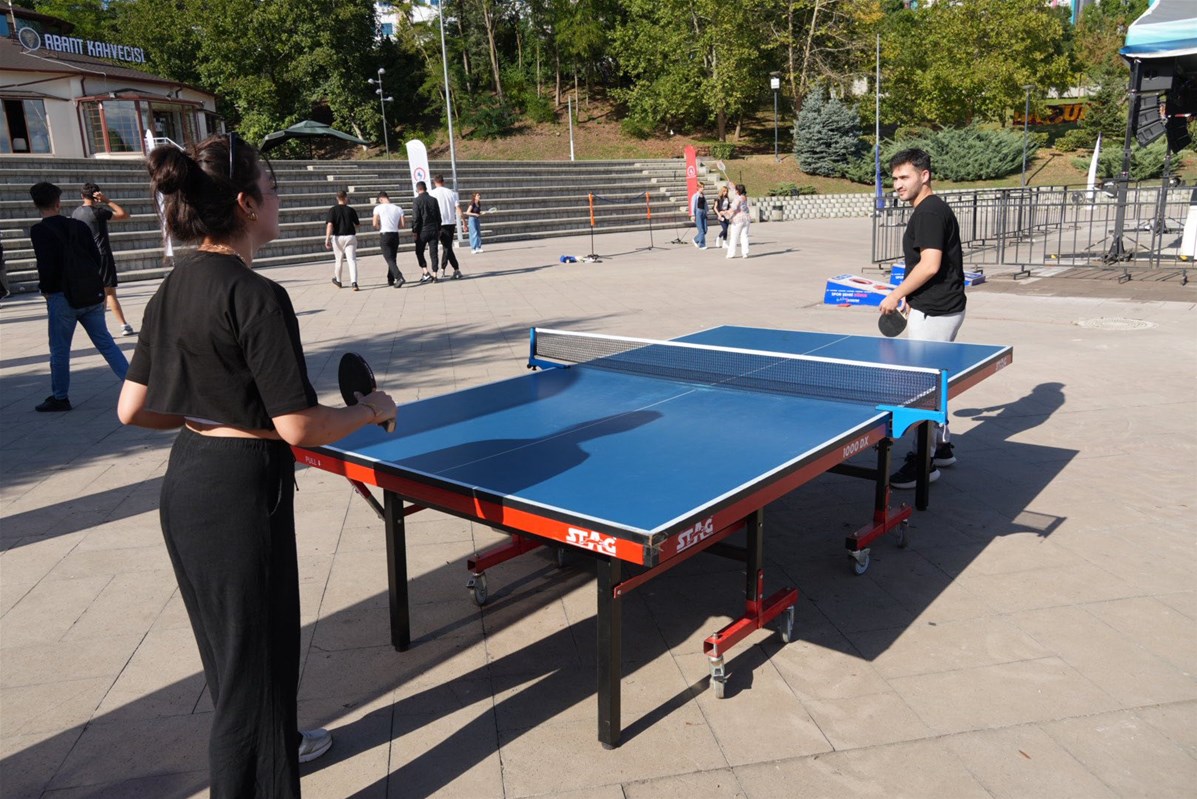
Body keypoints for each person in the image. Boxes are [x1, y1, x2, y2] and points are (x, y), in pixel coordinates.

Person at [118, 133, 396, 797]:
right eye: (272, 190)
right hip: (240, 494)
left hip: (188, 481)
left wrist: (210, 413)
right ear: (245, 204)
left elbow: (133, 409)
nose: (279, 201)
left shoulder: (169, 288)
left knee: (233, 662)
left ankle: (279, 755)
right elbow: (298, 425)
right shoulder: (258, 295)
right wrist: (371, 410)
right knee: (254, 675)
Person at [879, 148, 967, 490]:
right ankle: (941, 447)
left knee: (924, 389)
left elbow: (930, 265)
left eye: (905, 177)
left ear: (924, 175)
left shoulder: (929, 212)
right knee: (935, 382)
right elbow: (927, 268)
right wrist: (911, 297)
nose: (898, 184)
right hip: (936, 306)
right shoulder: (931, 209)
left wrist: (896, 294)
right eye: (894, 178)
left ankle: (923, 463)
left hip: (936, 312)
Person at [29, 181, 129, 413]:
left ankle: (60, 397)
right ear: (58, 202)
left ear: (36, 205)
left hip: (62, 296)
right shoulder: (78, 226)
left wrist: (47, 292)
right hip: (90, 293)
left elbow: (46, 266)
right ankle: (134, 385)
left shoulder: (39, 231)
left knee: (60, 349)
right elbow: (95, 257)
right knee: (106, 343)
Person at [72, 181, 134, 335]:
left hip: (86, 256)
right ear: (97, 196)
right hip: (102, 255)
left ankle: (116, 325)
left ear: (82, 196)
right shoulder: (99, 212)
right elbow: (124, 214)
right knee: (107, 292)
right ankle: (111, 327)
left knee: (104, 292)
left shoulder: (76, 213)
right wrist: (107, 200)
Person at [324, 191, 360, 290]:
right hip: (350, 237)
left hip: (338, 237)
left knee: (338, 260)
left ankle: (338, 280)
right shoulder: (351, 210)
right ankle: (354, 283)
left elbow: (330, 225)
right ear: (346, 198)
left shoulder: (332, 210)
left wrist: (327, 239)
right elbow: (357, 224)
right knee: (351, 260)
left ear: (337, 198)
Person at [430, 175, 463, 279]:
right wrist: (464, 221)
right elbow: (458, 208)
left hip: (439, 223)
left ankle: (453, 269)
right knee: (447, 247)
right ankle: (447, 269)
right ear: (443, 182)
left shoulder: (432, 193)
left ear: (434, 183)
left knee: (446, 247)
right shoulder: (451, 193)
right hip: (450, 223)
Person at [372, 191, 405, 288]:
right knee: (393, 258)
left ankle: (399, 277)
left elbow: (374, 223)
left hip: (385, 234)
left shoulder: (378, 208)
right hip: (395, 234)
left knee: (389, 258)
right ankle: (390, 279)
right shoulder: (398, 208)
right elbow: (402, 225)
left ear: (380, 199)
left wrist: (378, 226)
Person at [411, 181, 441, 283]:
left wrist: (414, 231)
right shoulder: (434, 200)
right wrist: (439, 229)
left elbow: (416, 218)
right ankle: (435, 275)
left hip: (422, 231)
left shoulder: (416, 201)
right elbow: (438, 216)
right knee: (434, 253)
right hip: (433, 230)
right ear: (426, 188)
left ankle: (425, 271)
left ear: (417, 189)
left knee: (419, 251)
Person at [725, 184, 751, 259]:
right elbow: (736, 192)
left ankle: (731, 253)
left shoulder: (738, 198)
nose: (735, 191)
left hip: (738, 219)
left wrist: (726, 212)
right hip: (746, 218)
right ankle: (745, 253)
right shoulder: (744, 197)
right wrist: (732, 187)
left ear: (738, 191)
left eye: (736, 190)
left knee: (734, 237)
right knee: (744, 236)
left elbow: (734, 208)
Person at [689, 184, 708, 250]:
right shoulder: (695, 196)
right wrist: (693, 215)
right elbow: (692, 205)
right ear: (698, 188)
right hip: (698, 213)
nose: (703, 188)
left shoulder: (703, 196)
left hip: (703, 213)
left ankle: (695, 239)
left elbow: (705, 205)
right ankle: (701, 245)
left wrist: (706, 212)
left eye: (703, 187)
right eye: (701, 187)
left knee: (705, 230)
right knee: (701, 231)